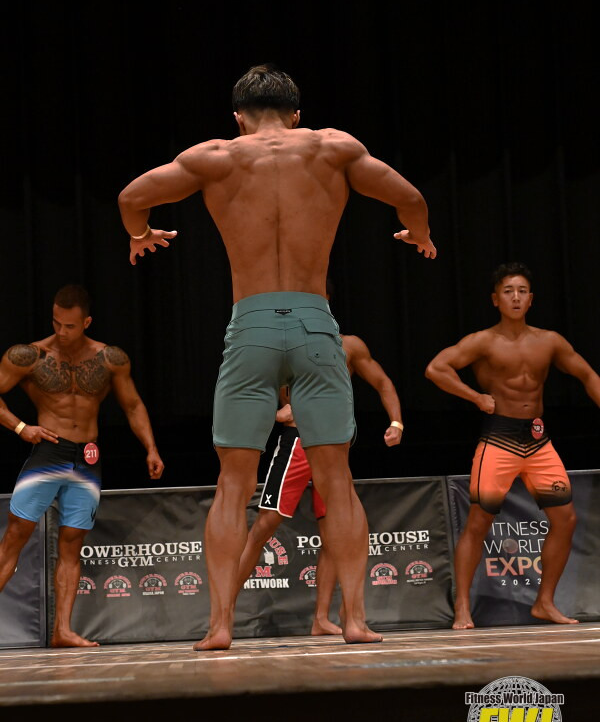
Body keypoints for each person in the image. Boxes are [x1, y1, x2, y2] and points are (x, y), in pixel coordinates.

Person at [118, 64, 436, 650]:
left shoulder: (217, 156)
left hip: (252, 328)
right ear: (296, 115)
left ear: (238, 118)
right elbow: (411, 198)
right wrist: (417, 233)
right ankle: (356, 621)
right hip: (316, 325)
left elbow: (131, 197)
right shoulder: (333, 148)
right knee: (337, 481)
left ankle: (219, 626)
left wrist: (140, 234)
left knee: (232, 485)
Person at [425, 262, 600, 629]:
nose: (516, 297)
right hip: (498, 440)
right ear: (496, 299)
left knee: (566, 519)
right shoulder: (483, 341)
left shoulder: (549, 341)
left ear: (531, 299)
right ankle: (462, 608)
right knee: (479, 521)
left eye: (522, 291)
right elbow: (436, 368)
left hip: (538, 441)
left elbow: (587, 375)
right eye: (508, 291)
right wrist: (475, 397)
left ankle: (544, 602)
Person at [0, 285, 164, 647]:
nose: (62, 332)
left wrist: (151, 448)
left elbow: (133, 405)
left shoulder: (110, 359)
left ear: (87, 322)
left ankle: (63, 631)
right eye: (56, 323)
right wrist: (22, 427)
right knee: (15, 536)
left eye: (70, 326)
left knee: (72, 543)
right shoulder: (29, 356)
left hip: (87, 460)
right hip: (48, 452)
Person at [238, 332, 403, 636]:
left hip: (334, 447)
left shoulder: (349, 345)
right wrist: (275, 412)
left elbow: (382, 382)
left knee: (334, 534)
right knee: (264, 527)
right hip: (298, 443)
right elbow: (248, 387)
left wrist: (396, 422)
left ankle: (321, 619)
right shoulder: (283, 341)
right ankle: (222, 613)